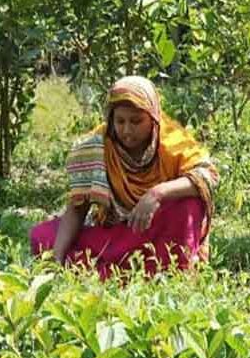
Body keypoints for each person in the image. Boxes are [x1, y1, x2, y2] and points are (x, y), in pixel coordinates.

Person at [30, 76, 219, 279]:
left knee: (189, 204)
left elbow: (207, 176)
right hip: (117, 236)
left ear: (153, 117)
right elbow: (78, 209)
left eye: (136, 121)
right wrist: (55, 261)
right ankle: (124, 270)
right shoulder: (96, 146)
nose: (127, 130)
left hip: (158, 234)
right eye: (120, 121)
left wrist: (157, 194)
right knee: (42, 236)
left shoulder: (172, 142)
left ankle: (163, 271)